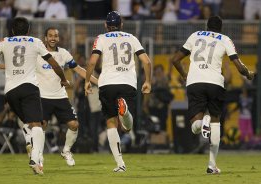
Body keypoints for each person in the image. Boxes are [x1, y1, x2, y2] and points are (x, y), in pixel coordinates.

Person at [0, 17, 69, 175]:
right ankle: (35, 158)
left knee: (28, 123)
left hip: (10, 92)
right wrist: (62, 78)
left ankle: (30, 143)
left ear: (12, 30)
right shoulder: (35, 41)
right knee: (37, 125)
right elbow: (54, 63)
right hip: (29, 88)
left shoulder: (5, 41)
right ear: (28, 30)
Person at [171, 16, 254, 174]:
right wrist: (249, 74)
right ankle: (211, 165)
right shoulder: (225, 39)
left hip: (195, 81)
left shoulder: (195, 35)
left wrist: (184, 75)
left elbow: (175, 60)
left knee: (195, 126)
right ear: (221, 28)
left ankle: (202, 123)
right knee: (216, 123)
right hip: (215, 82)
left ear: (206, 26)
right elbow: (239, 66)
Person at [84, 11, 152, 172]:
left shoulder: (101, 38)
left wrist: (87, 81)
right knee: (127, 127)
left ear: (106, 25)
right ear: (122, 24)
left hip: (107, 83)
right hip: (127, 82)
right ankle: (125, 111)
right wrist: (148, 81)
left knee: (110, 122)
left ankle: (120, 164)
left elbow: (92, 61)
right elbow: (146, 61)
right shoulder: (132, 38)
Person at [23, 27, 98, 167]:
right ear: (45, 38)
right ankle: (38, 154)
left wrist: (98, 82)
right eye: (50, 35)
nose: (53, 38)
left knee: (74, 125)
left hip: (60, 97)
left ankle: (66, 151)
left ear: (59, 38)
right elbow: (21, 67)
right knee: (41, 127)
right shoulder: (37, 54)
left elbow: (79, 69)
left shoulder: (63, 53)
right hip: (42, 97)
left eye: (55, 36)